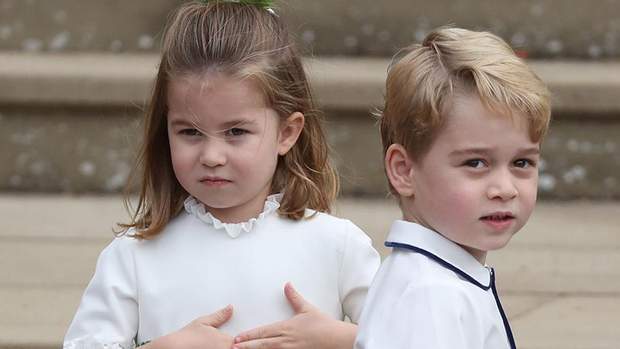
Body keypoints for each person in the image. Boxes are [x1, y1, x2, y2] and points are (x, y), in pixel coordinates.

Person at [63, 1, 380, 348]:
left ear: (287, 133)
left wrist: (344, 340)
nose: (211, 156)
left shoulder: (337, 246)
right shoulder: (133, 257)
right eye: (190, 132)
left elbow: (413, 333)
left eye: (236, 132)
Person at [354, 27, 551, 349]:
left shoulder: (437, 277)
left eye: (522, 163)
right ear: (404, 170)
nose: (504, 188)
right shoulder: (432, 293)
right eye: (476, 163)